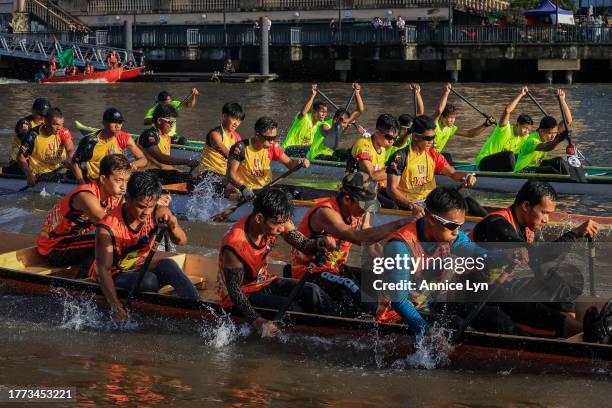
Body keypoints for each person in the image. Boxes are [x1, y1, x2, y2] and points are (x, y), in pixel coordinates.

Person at [379, 187, 526, 335]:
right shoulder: (399, 247)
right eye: (451, 226)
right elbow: (399, 301)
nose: (456, 232)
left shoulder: (451, 236)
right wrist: (427, 332)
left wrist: (505, 256)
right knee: (455, 325)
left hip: (429, 303)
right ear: (431, 219)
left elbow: (479, 256)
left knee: (493, 316)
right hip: (395, 314)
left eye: (460, 226)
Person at [470, 180, 601, 339]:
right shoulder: (496, 225)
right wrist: (574, 234)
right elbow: (540, 254)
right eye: (544, 212)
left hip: (501, 285)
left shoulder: (527, 229)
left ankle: (574, 329)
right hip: (475, 295)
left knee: (568, 278)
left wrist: (562, 297)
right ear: (526, 206)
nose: (546, 220)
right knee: (529, 308)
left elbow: (541, 267)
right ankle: (583, 333)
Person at [217, 188, 340, 338]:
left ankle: (345, 324)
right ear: (259, 218)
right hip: (241, 295)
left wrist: (319, 243)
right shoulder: (235, 244)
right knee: (294, 309)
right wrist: (259, 322)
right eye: (277, 224)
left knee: (312, 291)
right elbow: (234, 292)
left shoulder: (278, 219)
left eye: (284, 223)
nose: (282, 229)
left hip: (263, 281)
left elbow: (305, 246)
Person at [290, 172, 414, 317]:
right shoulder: (325, 212)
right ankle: (379, 319)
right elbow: (359, 238)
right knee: (354, 290)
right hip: (310, 273)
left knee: (378, 279)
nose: (366, 211)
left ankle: (395, 310)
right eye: (364, 207)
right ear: (347, 200)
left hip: (335, 269)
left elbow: (369, 242)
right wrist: (402, 222)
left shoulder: (358, 212)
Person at [92, 171, 201, 321]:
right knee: (149, 281)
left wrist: (174, 226)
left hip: (141, 266)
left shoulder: (158, 212)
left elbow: (181, 242)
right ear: (127, 198)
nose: (146, 212)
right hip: (115, 273)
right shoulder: (107, 227)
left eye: (150, 206)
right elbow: (103, 271)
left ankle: (198, 309)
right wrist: (115, 306)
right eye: (141, 206)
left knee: (169, 265)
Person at [37, 154, 131, 273]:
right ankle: (85, 282)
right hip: (52, 249)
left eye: (127, 181)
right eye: (118, 180)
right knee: (108, 241)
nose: (124, 187)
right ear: (102, 179)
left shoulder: (114, 195)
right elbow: (109, 226)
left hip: (72, 244)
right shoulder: (86, 196)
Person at [382, 115, 477, 216]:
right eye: (427, 138)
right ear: (415, 137)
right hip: (410, 205)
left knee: (469, 203)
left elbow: (453, 173)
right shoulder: (399, 158)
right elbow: (391, 190)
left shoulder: (433, 155)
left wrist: (467, 176)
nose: (431, 142)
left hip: (431, 202)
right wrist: (412, 206)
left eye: (433, 137)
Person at [227, 116, 309, 201]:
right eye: (269, 138)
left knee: (296, 192)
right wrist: (243, 189)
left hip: (266, 189)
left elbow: (291, 164)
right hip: (248, 192)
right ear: (257, 135)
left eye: (274, 138)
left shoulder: (272, 147)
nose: (272, 141)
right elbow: (230, 174)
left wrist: (300, 162)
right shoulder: (240, 148)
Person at [71, 108, 147, 183]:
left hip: (116, 179)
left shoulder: (124, 138)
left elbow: (143, 159)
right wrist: (82, 184)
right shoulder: (89, 141)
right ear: (104, 123)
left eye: (120, 122)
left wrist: (132, 164)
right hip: (95, 179)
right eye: (113, 122)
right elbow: (74, 162)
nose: (117, 126)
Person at [138, 103, 199, 185]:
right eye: (169, 122)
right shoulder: (149, 135)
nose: (172, 125)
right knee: (188, 179)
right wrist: (186, 161)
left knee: (194, 179)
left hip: (161, 173)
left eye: (174, 122)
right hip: (147, 175)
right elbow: (161, 158)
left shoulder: (167, 137)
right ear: (159, 121)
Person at [345, 114, 398, 208]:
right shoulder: (363, 145)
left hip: (372, 189)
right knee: (393, 206)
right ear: (377, 132)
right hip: (356, 190)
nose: (392, 141)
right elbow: (372, 175)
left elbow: (383, 178)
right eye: (389, 137)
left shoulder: (383, 150)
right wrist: (396, 169)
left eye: (395, 138)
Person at [514, 90, 573, 174]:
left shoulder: (551, 134)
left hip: (536, 167)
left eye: (555, 133)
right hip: (522, 171)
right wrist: (559, 138)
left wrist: (562, 100)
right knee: (550, 170)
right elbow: (546, 147)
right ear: (541, 130)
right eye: (550, 133)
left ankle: (570, 180)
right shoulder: (532, 140)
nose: (553, 136)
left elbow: (568, 121)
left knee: (559, 161)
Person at [476, 86, 533, 171]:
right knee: (510, 155)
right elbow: (507, 111)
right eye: (525, 128)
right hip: (484, 163)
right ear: (517, 124)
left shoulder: (525, 137)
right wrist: (521, 94)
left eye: (529, 130)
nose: (526, 132)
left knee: (523, 155)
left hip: (500, 164)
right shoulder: (504, 128)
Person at [432, 83, 495, 156]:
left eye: (454, 118)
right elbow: (439, 110)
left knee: (447, 156)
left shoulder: (451, 128)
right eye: (450, 118)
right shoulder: (433, 123)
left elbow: (470, 134)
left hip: (436, 156)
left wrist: (485, 125)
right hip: (426, 156)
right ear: (442, 117)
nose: (452, 120)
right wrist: (446, 93)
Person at [194, 102, 245, 192]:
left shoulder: (237, 137)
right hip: (208, 175)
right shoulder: (215, 134)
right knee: (235, 188)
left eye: (239, 120)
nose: (236, 123)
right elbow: (227, 154)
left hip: (225, 175)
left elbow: (244, 157)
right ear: (224, 116)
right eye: (234, 118)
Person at [17, 108, 75, 186]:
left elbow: (70, 150)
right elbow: (20, 157)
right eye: (56, 124)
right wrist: (28, 174)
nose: (59, 128)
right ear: (46, 122)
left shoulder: (63, 132)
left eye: (61, 124)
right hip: (40, 174)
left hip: (59, 170)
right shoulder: (33, 135)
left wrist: (69, 159)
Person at [307, 83, 365, 160]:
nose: (344, 125)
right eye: (342, 122)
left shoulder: (344, 123)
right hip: (316, 156)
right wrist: (336, 127)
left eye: (345, 123)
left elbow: (360, 110)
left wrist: (357, 92)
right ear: (335, 120)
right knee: (333, 158)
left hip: (330, 155)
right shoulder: (324, 125)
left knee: (349, 152)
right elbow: (328, 133)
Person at [2, 98, 50, 175]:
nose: (42, 118)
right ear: (33, 110)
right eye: (40, 114)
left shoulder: (48, 125)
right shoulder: (24, 124)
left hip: (37, 160)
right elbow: (27, 141)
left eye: (45, 115)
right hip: (19, 161)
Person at [281, 84, 330, 150]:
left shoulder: (321, 124)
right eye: (322, 112)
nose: (324, 114)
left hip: (302, 152)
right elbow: (303, 112)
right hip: (288, 149)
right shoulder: (304, 118)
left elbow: (331, 133)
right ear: (314, 111)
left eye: (325, 112)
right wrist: (312, 96)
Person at [385, 84, 425, 161]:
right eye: (409, 129)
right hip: (387, 164)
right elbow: (400, 143)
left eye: (411, 128)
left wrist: (417, 93)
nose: (411, 131)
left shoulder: (409, 136)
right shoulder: (392, 136)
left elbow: (421, 112)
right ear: (401, 127)